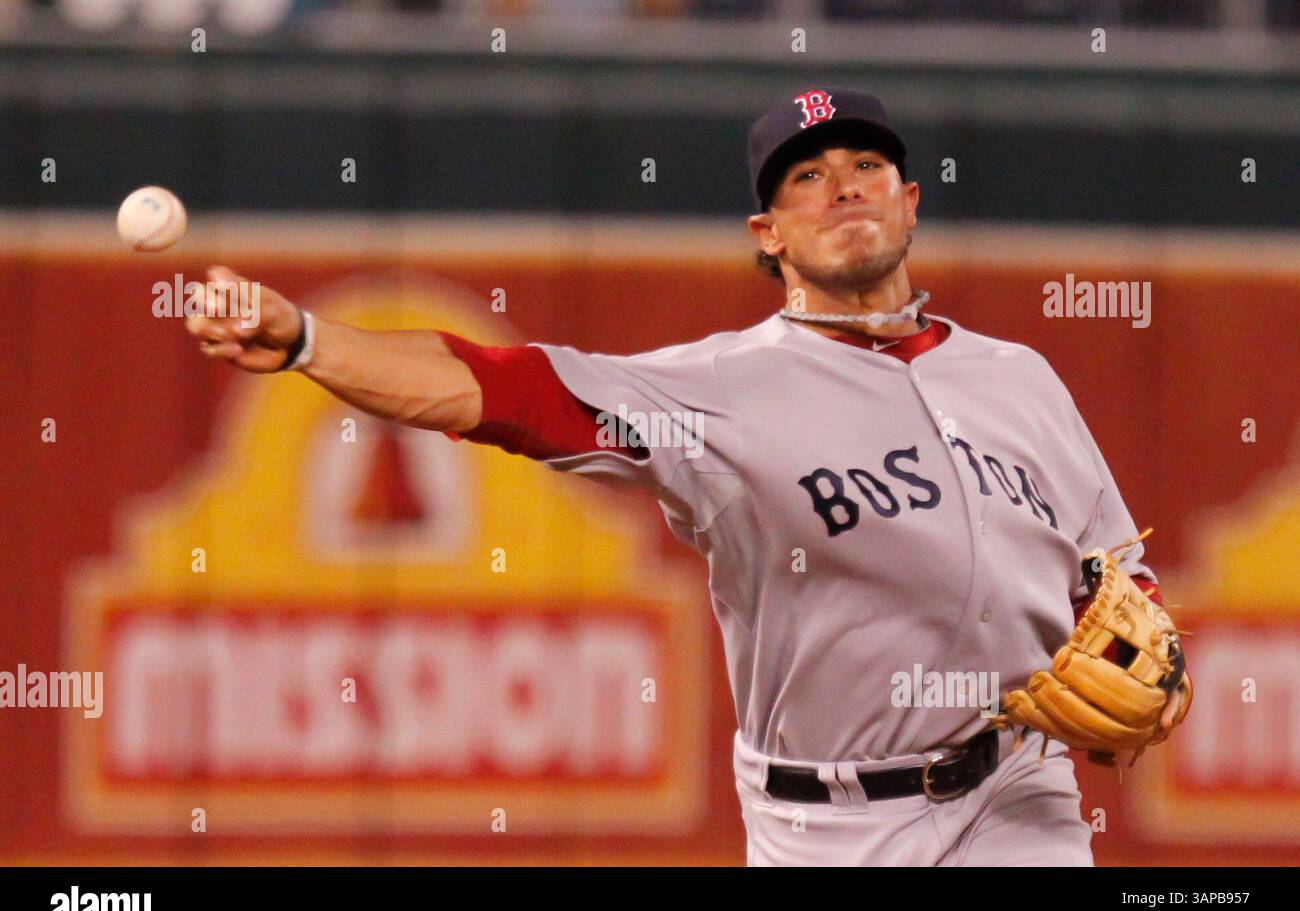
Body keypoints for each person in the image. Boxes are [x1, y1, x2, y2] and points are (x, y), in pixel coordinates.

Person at [182, 87, 1189, 866]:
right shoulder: (720, 389)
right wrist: (310, 339)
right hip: (832, 825)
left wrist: (1157, 668)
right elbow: (503, 392)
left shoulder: (1020, 377)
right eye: (804, 177)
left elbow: (1113, 571)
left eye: (866, 164)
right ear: (769, 235)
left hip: (1019, 796)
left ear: (909, 201)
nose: (841, 185)